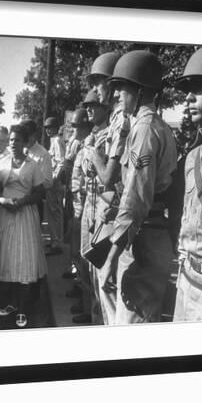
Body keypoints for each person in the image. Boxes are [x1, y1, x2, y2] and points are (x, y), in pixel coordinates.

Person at [98, 50, 178, 325]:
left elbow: (135, 199)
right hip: (148, 237)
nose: (117, 94)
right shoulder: (157, 126)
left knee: (131, 330)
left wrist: (111, 257)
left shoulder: (144, 130)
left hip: (143, 242)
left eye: (123, 87)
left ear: (141, 90)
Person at [82, 51, 125, 325]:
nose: (96, 91)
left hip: (113, 210)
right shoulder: (114, 123)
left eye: (99, 82)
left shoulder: (121, 121)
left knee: (109, 289)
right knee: (99, 282)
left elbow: (111, 177)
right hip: (103, 208)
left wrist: (92, 153)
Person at [172, 47, 202, 322]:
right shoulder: (192, 156)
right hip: (187, 278)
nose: (188, 98)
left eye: (199, 88)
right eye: (187, 90)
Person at [0, 124, 48, 328]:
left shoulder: (32, 165)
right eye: (12, 139)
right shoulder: (3, 162)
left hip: (25, 215)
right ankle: (13, 304)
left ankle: (23, 309)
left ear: (25, 143)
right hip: (6, 216)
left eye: (18, 140)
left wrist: (23, 201)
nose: (14, 143)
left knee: (24, 260)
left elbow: (40, 192)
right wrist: (2, 201)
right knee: (9, 260)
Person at [71, 90, 111, 324]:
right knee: (86, 267)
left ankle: (97, 318)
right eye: (87, 105)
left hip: (102, 211)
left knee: (100, 274)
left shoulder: (111, 136)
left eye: (93, 105)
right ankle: (90, 311)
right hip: (88, 207)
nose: (89, 109)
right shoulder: (91, 139)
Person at [62, 107, 92, 279]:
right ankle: (77, 275)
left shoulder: (90, 143)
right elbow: (69, 165)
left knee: (82, 245)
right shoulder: (77, 144)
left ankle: (82, 282)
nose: (73, 130)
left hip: (85, 202)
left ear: (84, 126)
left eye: (76, 126)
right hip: (75, 201)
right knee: (74, 241)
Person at [44, 117, 66, 254]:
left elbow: (61, 162)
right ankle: (54, 241)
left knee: (55, 212)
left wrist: (54, 180)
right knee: (52, 212)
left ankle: (56, 242)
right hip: (52, 181)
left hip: (55, 182)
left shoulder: (57, 140)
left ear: (56, 128)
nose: (47, 130)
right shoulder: (53, 140)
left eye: (50, 127)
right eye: (46, 127)